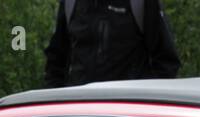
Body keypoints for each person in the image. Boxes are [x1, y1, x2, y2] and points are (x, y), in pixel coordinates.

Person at [44, 0, 180, 88]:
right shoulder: (71, 3)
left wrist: (142, 102)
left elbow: (166, 62)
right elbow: (56, 58)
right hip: (81, 114)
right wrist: (58, 103)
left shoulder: (140, 3)